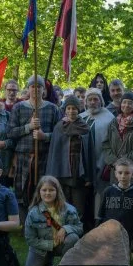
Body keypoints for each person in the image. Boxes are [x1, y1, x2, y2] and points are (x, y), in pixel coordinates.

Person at [7, 75, 60, 209]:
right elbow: (10, 132)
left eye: (39, 87)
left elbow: (60, 134)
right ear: (28, 88)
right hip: (23, 156)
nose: (35, 90)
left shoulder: (53, 109)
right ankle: (25, 222)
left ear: (43, 90)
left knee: (44, 189)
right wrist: (28, 127)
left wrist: (45, 136)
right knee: (23, 191)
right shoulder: (18, 107)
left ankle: (44, 220)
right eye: (32, 86)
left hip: (45, 156)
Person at [46, 95, 95, 223]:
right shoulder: (59, 127)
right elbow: (54, 152)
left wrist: (89, 176)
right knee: (63, 204)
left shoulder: (84, 127)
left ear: (78, 110)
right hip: (62, 171)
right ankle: (62, 231)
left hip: (79, 172)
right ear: (65, 109)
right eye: (69, 108)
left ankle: (76, 233)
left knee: (78, 207)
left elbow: (89, 153)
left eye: (74, 108)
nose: (71, 111)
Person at [24, 176, 82, 266]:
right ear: (39, 192)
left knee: (73, 238)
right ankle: (48, 265)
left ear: (57, 191)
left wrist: (65, 228)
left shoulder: (69, 209)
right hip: (41, 247)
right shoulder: (33, 213)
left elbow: (79, 228)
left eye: (51, 190)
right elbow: (30, 239)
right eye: (44, 190)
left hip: (62, 244)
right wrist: (50, 244)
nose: (47, 193)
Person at [96, 157, 133, 256]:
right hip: (107, 236)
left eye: (127, 173)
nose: (123, 176)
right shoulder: (108, 191)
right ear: (115, 174)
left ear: (132, 174)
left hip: (127, 238)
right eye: (120, 173)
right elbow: (100, 216)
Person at [102, 91, 133, 196]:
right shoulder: (113, 122)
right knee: (116, 200)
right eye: (124, 102)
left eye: (130, 103)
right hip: (116, 170)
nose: (126, 105)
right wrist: (115, 162)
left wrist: (125, 161)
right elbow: (106, 145)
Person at [81, 87, 115, 217]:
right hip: (83, 163)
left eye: (96, 99)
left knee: (100, 193)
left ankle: (98, 221)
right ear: (86, 102)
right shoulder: (81, 117)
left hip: (102, 161)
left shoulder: (109, 118)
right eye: (90, 99)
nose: (93, 102)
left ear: (100, 101)